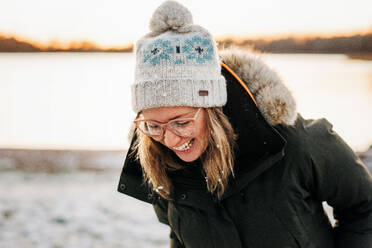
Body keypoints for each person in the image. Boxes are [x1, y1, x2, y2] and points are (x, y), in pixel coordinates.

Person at [117, 1, 372, 247]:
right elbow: (179, 235)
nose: (170, 140)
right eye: (153, 125)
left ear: (212, 109)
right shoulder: (157, 161)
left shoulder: (292, 144)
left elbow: (364, 206)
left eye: (181, 122)